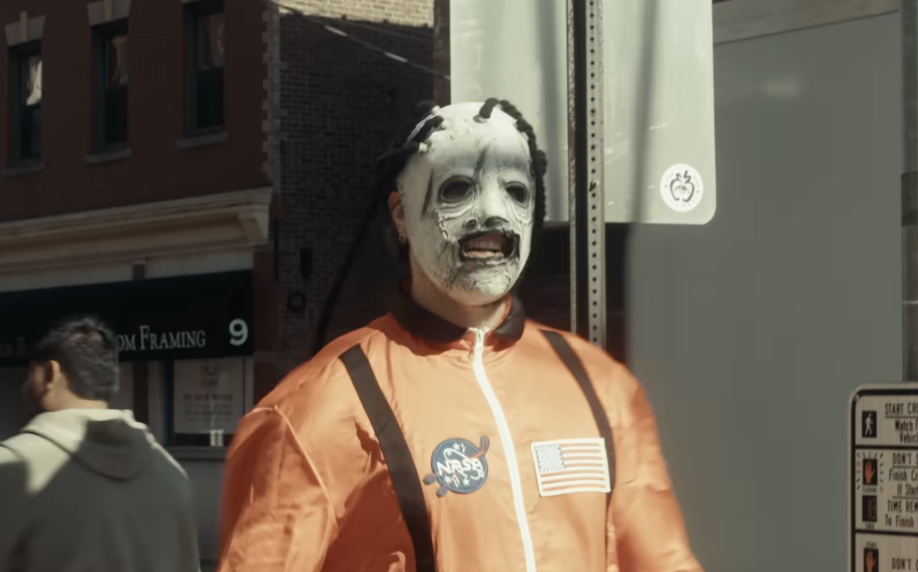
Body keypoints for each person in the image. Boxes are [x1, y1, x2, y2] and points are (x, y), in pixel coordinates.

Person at [217, 99, 705, 572]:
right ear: (401, 214)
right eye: (457, 190)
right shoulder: (316, 407)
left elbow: (661, 560)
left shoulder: (601, 386)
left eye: (515, 192)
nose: (493, 215)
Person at [0, 316, 200, 572]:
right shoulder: (171, 475)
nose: (26, 384)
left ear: (51, 373)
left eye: (30, 373)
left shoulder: (12, 468)